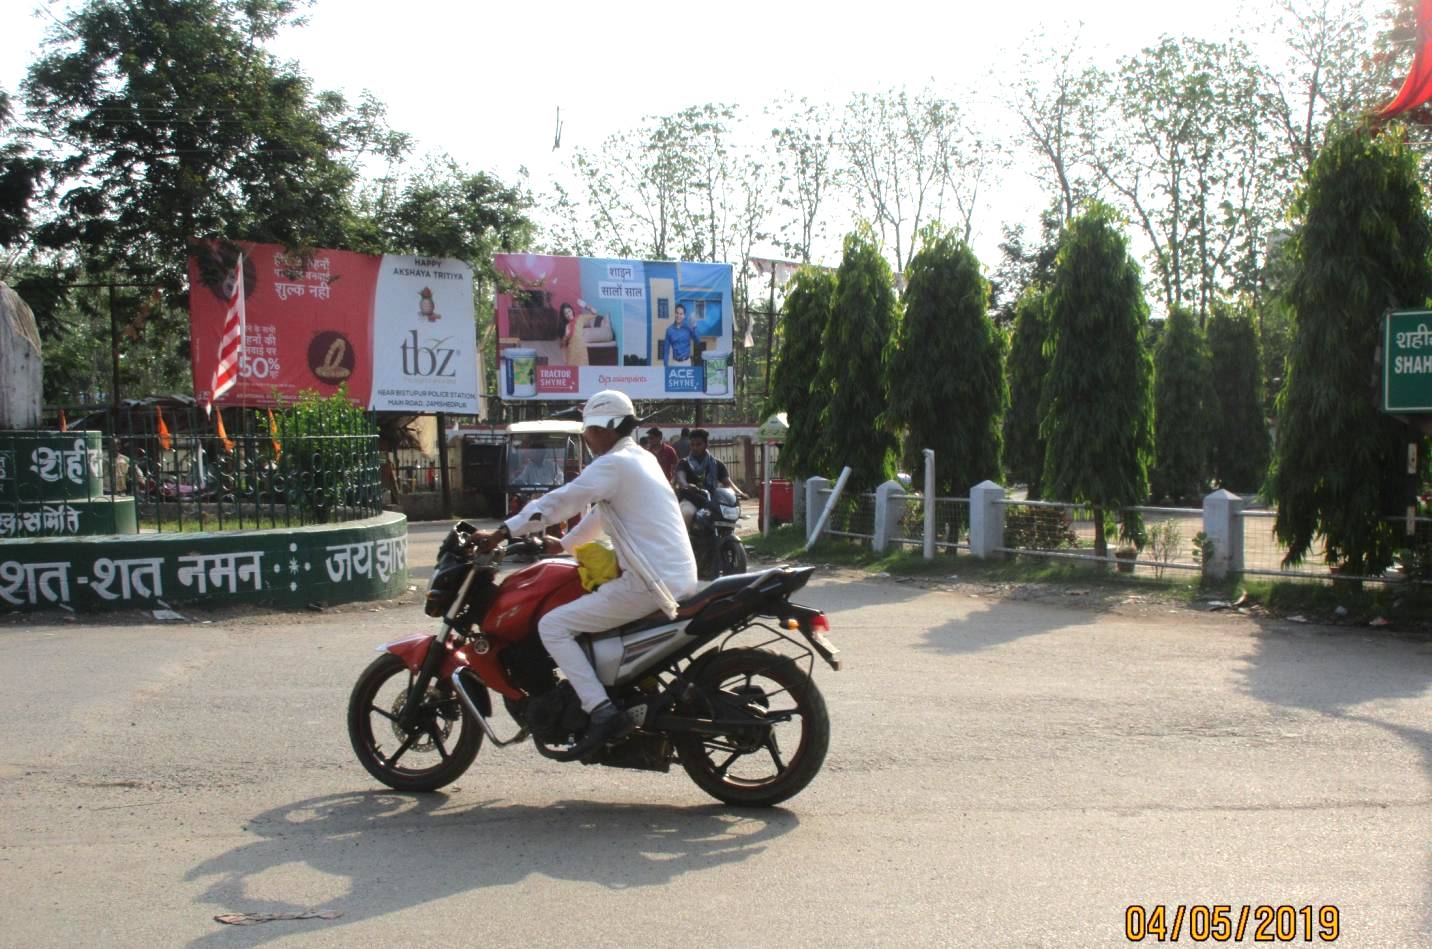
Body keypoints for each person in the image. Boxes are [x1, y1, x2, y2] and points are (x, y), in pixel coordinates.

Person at [477, 390, 698, 752]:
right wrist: (563, 546)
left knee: (553, 625)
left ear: (607, 427)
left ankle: (601, 710)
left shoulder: (613, 464)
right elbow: (601, 513)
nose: (587, 437)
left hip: (649, 583)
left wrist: (504, 531)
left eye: (589, 430)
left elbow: (563, 500)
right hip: (671, 576)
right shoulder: (639, 459)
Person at [675, 428, 747, 525]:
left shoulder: (717, 464)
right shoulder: (684, 463)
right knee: (687, 513)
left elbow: (728, 483)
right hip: (690, 501)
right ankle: (683, 540)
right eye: (692, 445)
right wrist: (687, 486)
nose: (695, 448)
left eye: (698, 444)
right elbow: (681, 479)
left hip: (712, 502)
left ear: (706, 444)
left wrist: (740, 493)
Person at [559, 302, 590, 367]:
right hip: (571, 353)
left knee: (584, 371)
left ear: (572, 310)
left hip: (582, 351)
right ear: (564, 316)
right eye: (566, 314)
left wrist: (586, 306)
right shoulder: (566, 326)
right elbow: (563, 345)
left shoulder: (580, 318)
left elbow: (595, 313)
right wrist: (566, 335)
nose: (568, 314)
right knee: (572, 373)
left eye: (569, 311)